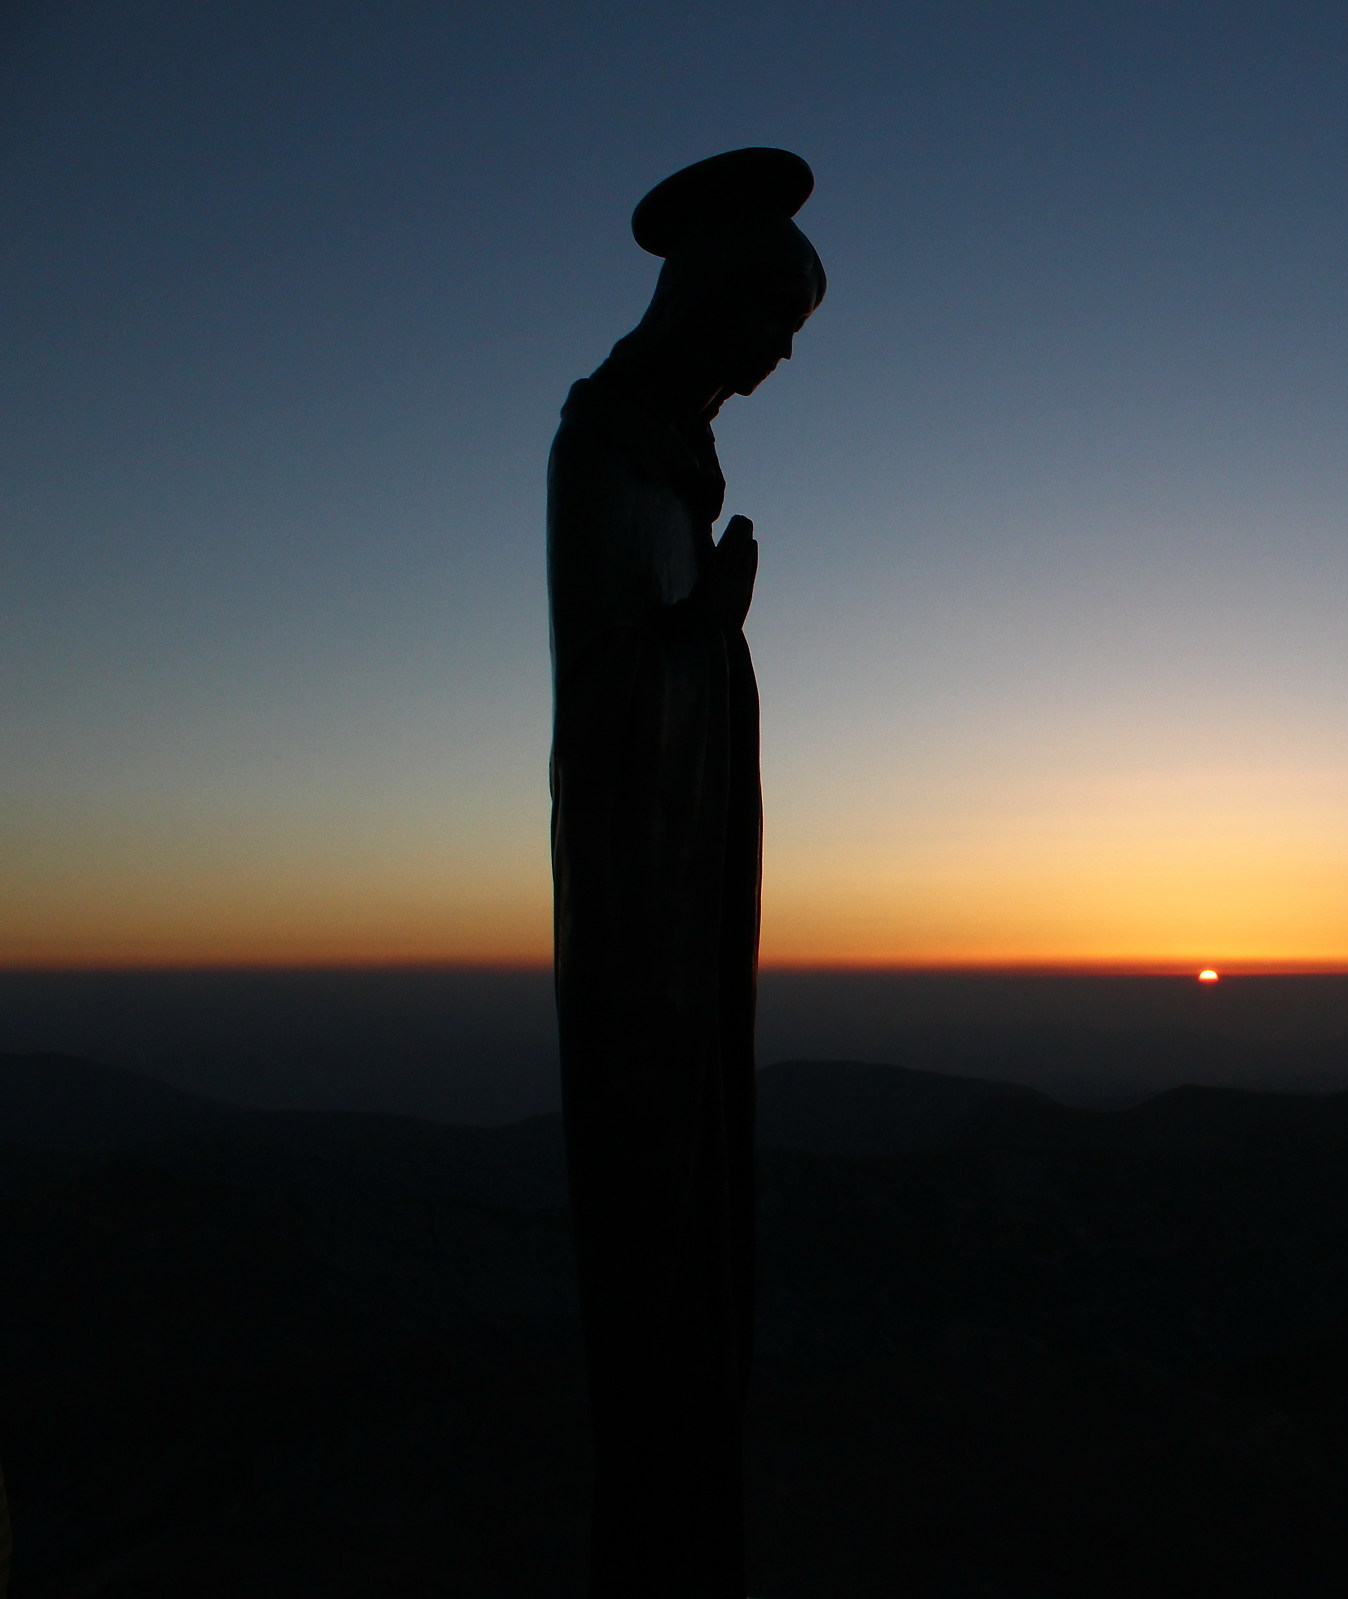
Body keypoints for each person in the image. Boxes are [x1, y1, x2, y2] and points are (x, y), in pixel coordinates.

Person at [546, 147, 824, 1597]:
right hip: (640, 875)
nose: (777, 365)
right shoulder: (606, 444)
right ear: (708, 305)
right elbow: (605, 697)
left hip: (693, 857)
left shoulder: (680, 452)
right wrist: (702, 632)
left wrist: (709, 638)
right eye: (768, 331)